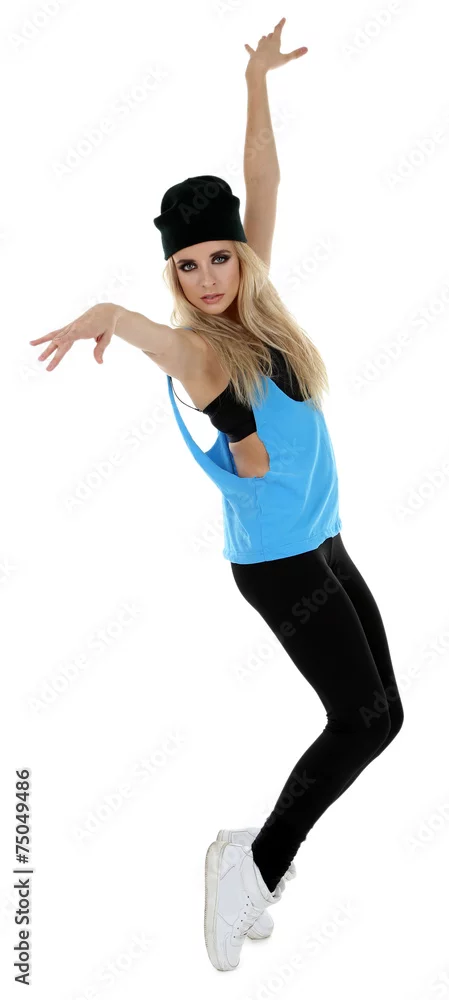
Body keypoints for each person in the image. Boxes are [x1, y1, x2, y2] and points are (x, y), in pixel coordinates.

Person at [29, 18, 404, 975]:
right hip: (279, 566)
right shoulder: (199, 349)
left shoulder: (257, 310)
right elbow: (153, 339)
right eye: (186, 265)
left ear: (239, 258)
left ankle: (253, 855)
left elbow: (261, 180)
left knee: (384, 716)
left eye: (217, 257)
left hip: (323, 540)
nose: (204, 278)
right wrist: (108, 314)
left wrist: (256, 81)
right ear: (173, 272)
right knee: (361, 720)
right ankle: (252, 869)